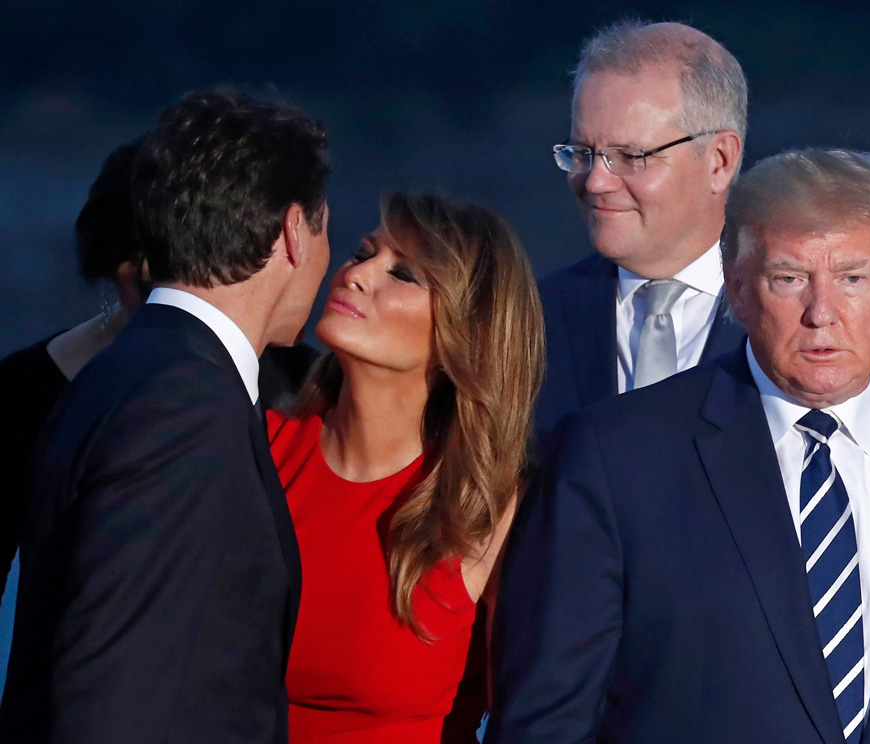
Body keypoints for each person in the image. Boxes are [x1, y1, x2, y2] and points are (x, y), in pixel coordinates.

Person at [488, 149, 870, 743]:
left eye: (853, 278)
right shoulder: (615, 458)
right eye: (789, 279)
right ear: (737, 289)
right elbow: (547, 722)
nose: (822, 313)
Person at [0, 90, 330, 744]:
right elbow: (113, 693)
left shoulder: (132, 372)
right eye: (324, 227)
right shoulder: (184, 403)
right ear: (293, 230)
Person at [536, 19, 870, 438]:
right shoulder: (524, 318)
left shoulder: (843, 313)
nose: (595, 181)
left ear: (720, 160)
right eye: (582, 153)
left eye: (631, 156)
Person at [267, 191, 544, 743]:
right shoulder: (256, 451)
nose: (356, 273)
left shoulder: (492, 508)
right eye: (361, 252)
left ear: (465, 336)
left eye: (404, 274)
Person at [0, 138, 318, 599]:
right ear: (110, 270)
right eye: (145, 277)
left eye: (176, 270)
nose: (164, 295)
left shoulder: (292, 380)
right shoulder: (25, 390)